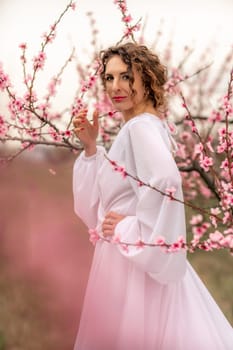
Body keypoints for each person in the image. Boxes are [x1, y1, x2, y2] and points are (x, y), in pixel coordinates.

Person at [72, 42, 233, 350]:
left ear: (146, 79)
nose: (116, 87)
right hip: (130, 257)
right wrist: (91, 149)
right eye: (109, 78)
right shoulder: (145, 126)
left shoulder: (139, 128)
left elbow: (166, 181)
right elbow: (104, 203)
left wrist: (127, 229)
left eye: (126, 77)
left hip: (133, 264)